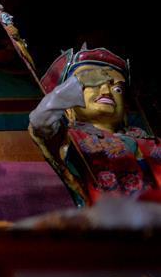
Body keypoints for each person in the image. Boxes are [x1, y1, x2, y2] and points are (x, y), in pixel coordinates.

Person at [29, 45, 160, 206]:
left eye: (117, 88)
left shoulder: (149, 141)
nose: (106, 91)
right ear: (69, 105)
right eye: (93, 85)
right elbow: (40, 121)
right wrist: (76, 82)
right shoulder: (69, 138)